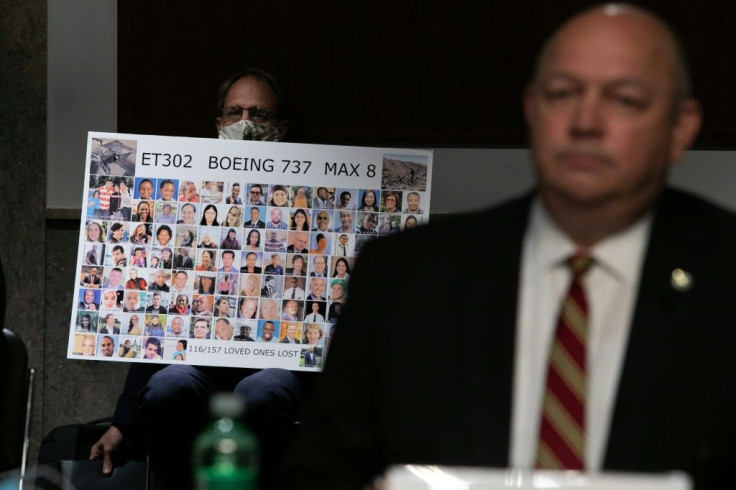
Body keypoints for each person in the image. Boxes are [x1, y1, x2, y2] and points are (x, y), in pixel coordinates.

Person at [283, 6, 736, 489]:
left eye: (623, 99)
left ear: (681, 127)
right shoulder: (406, 279)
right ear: (531, 109)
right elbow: (320, 473)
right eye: (562, 94)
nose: (585, 120)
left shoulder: (724, 276)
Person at [92, 69, 305, 490]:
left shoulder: (308, 193)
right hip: (197, 361)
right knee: (170, 383)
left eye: (258, 114)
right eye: (235, 112)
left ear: (280, 128)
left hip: (275, 363)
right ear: (219, 124)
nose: (245, 120)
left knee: (263, 390)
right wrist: (123, 420)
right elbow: (157, 309)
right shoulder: (187, 198)